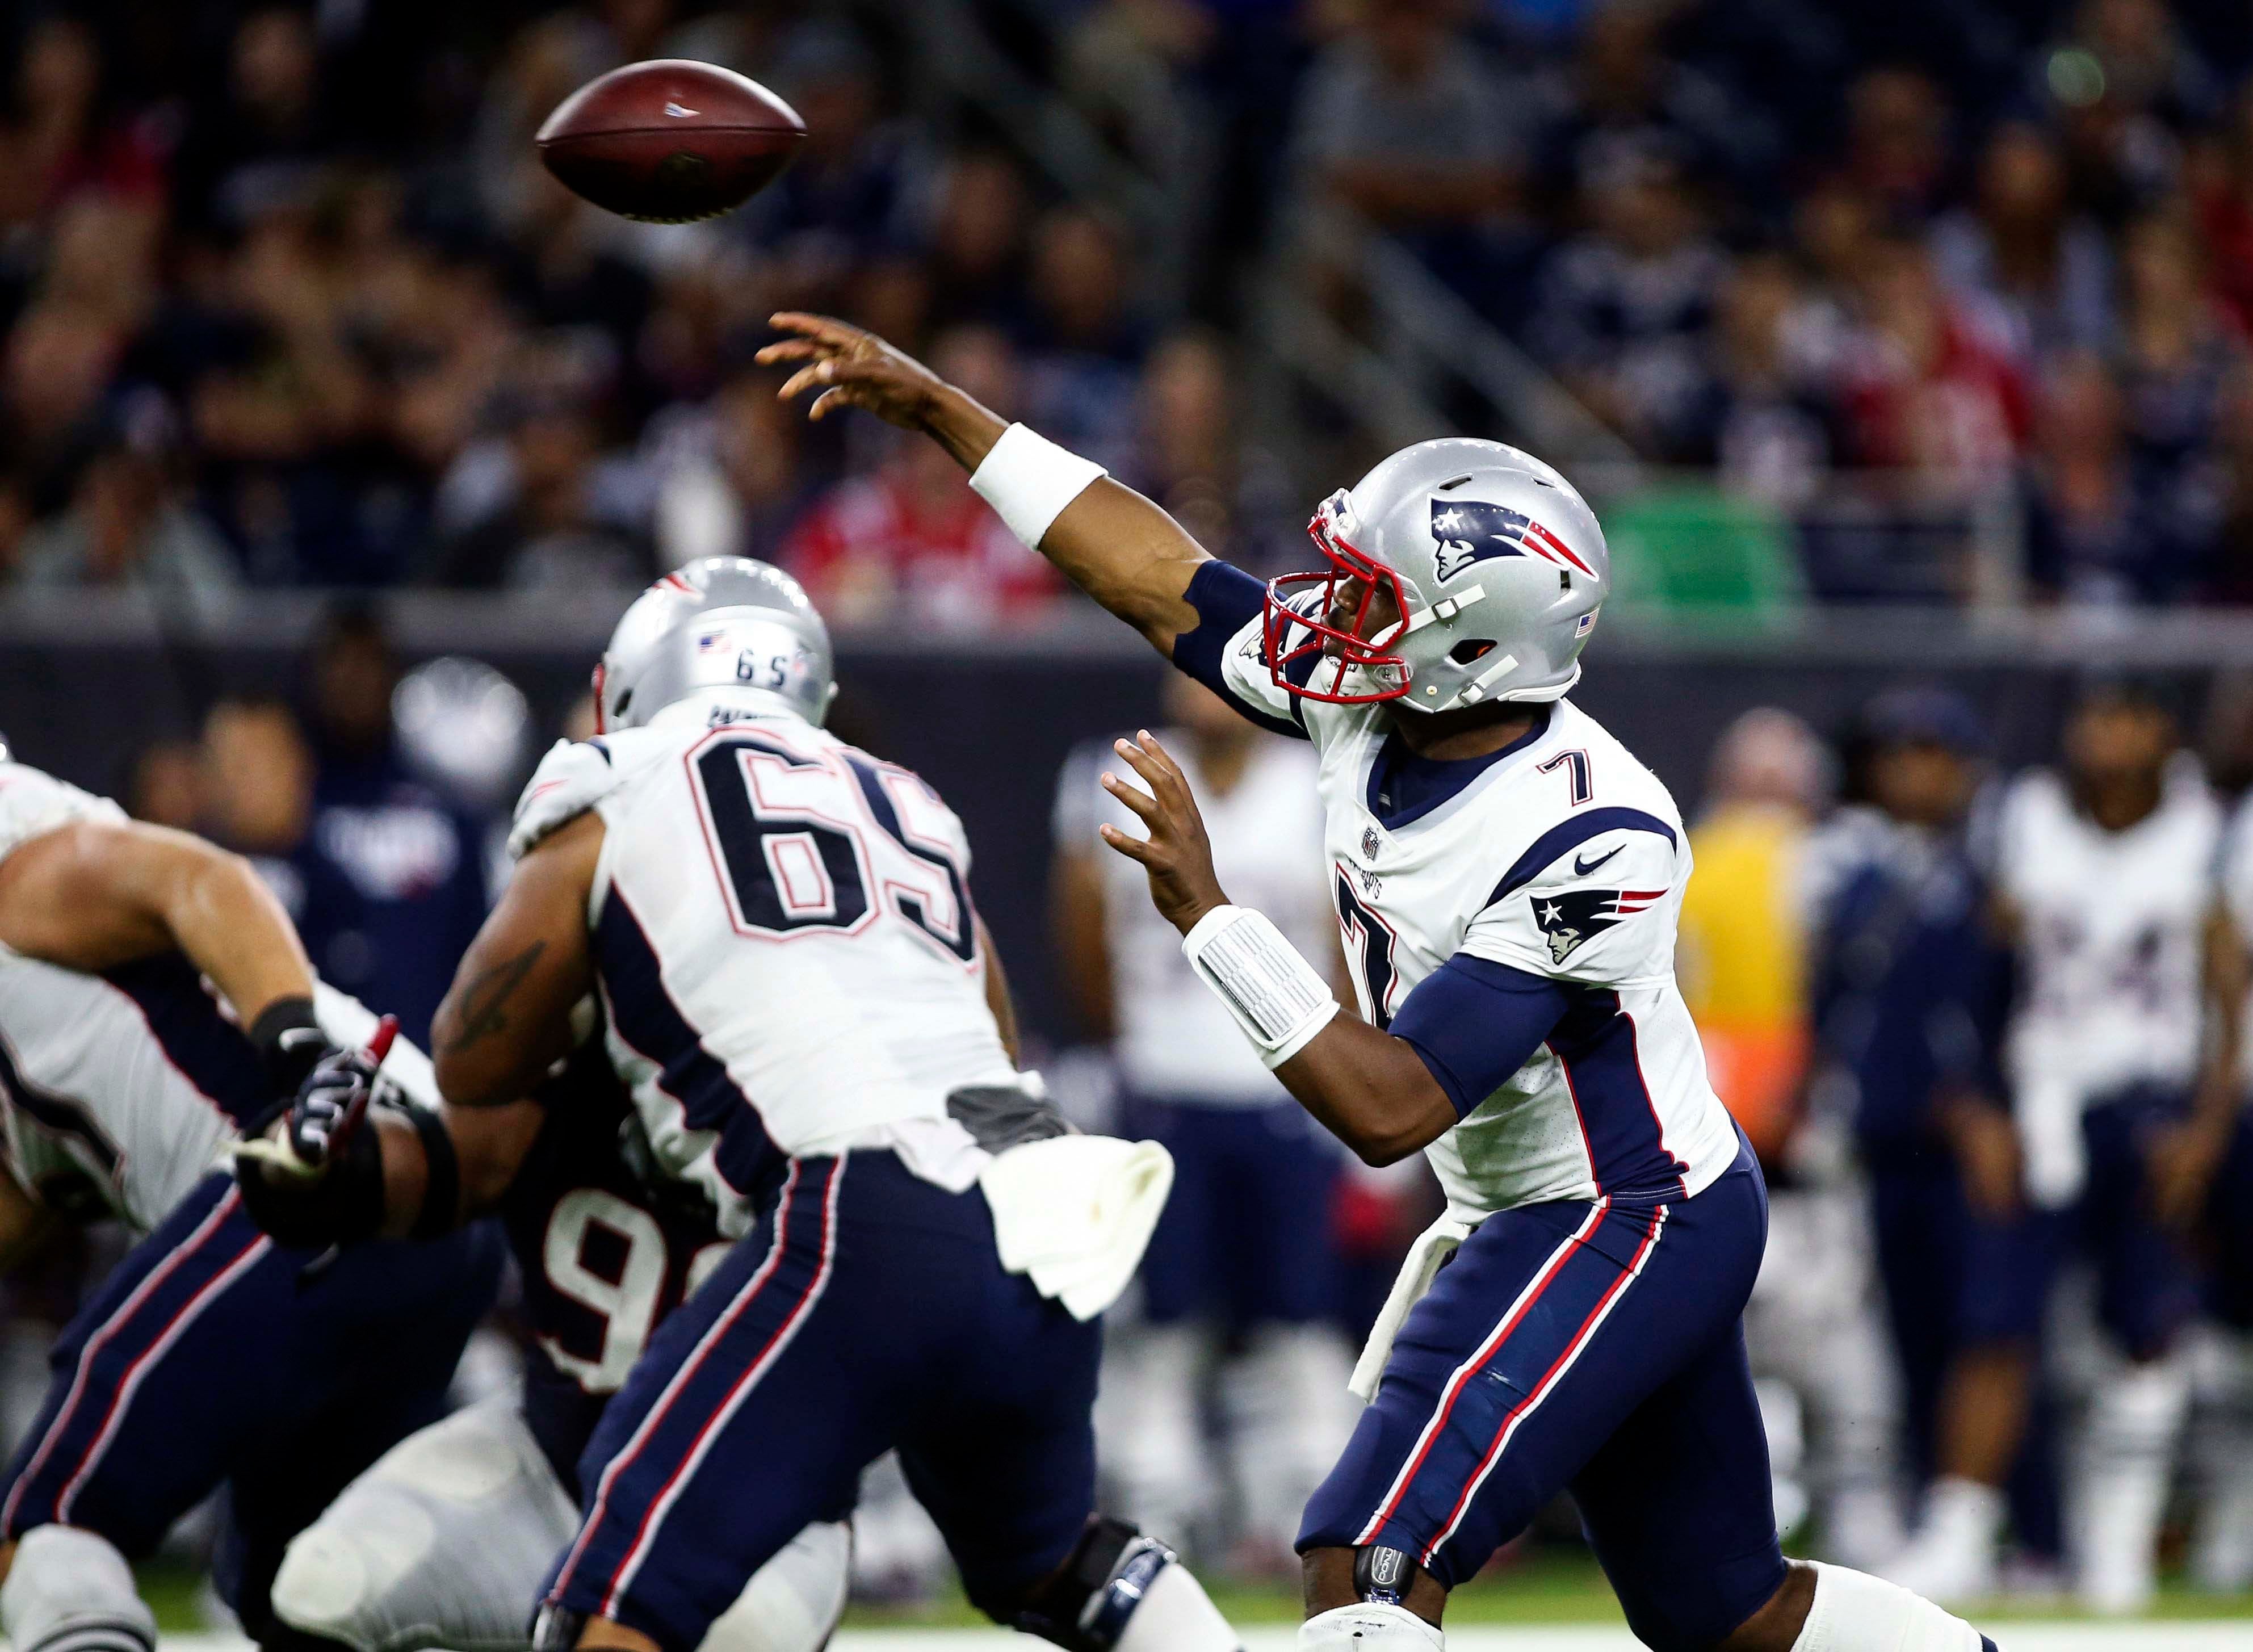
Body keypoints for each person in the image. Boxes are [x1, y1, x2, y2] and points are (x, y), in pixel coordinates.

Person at [757, 313, 2003, 1652]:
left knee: (1368, 1560)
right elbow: (1162, 578)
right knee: (1728, 1607)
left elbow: (1392, 1102)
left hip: (1620, 1213)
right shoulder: (1380, 691)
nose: (1331, 608)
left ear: (1476, 645)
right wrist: (949, 412)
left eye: (1372, 593)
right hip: (1573, 1204)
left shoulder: (1595, 831)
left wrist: (1207, 911)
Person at [276, 555, 1240, 1652]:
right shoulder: (903, 800)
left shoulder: (614, 778)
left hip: (866, 1208)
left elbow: (469, 1061)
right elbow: (994, 1036)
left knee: (609, 1598)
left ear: (629, 687)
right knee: (1056, 1562)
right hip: (1041, 1196)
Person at [0, 749, 502, 1652]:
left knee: (52, 1528)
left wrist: (297, 1059)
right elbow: (36, 1188)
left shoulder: (19, 863)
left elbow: (200, 880)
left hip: (330, 1180)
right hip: (428, 1210)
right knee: (307, 1599)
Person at [259, 1042, 849, 1652]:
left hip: (755, 1508)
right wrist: (332, 1164)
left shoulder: (840, 1086)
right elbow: (446, 1164)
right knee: (327, 1582)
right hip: (554, 1458)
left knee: (738, 1638)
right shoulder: (563, 1035)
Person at [1054, 672, 1353, 1570]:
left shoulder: (1315, 784)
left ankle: (1307, 1506)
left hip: (1284, 1089)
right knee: (1163, 1327)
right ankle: (1163, 1508)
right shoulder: (1114, 774)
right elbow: (1081, 937)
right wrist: (1134, 1043)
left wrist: (1335, 1061)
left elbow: (1344, 940)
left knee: (1297, 1323)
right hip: (1162, 1082)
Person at [1988, 678, 2244, 1614]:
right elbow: (1992, 960)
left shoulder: (2199, 830)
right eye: (2092, 717)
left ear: (2160, 734)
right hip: (2041, 1100)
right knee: (2015, 1327)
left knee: (2144, 1331)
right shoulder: (2023, 819)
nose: (2103, 736)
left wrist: (2207, 1127)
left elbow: (2226, 991)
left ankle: (2117, 1542)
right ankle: (2029, 1536)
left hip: (2149, 1102)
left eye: (2125, 718)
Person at [1802, 692, 2054, 1603]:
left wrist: (1995, 1108)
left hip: (1988, 1139)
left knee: (1994, 1323)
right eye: (1894, 753)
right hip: (1887, 1137)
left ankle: (1996, 1522)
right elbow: (1834, 1011)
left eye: (1929, 752)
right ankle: (1944, 1518)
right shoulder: (1861, 879)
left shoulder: (2007, 865)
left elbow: (2032, 1005)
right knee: (1914, 1336)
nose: (1910, 770)